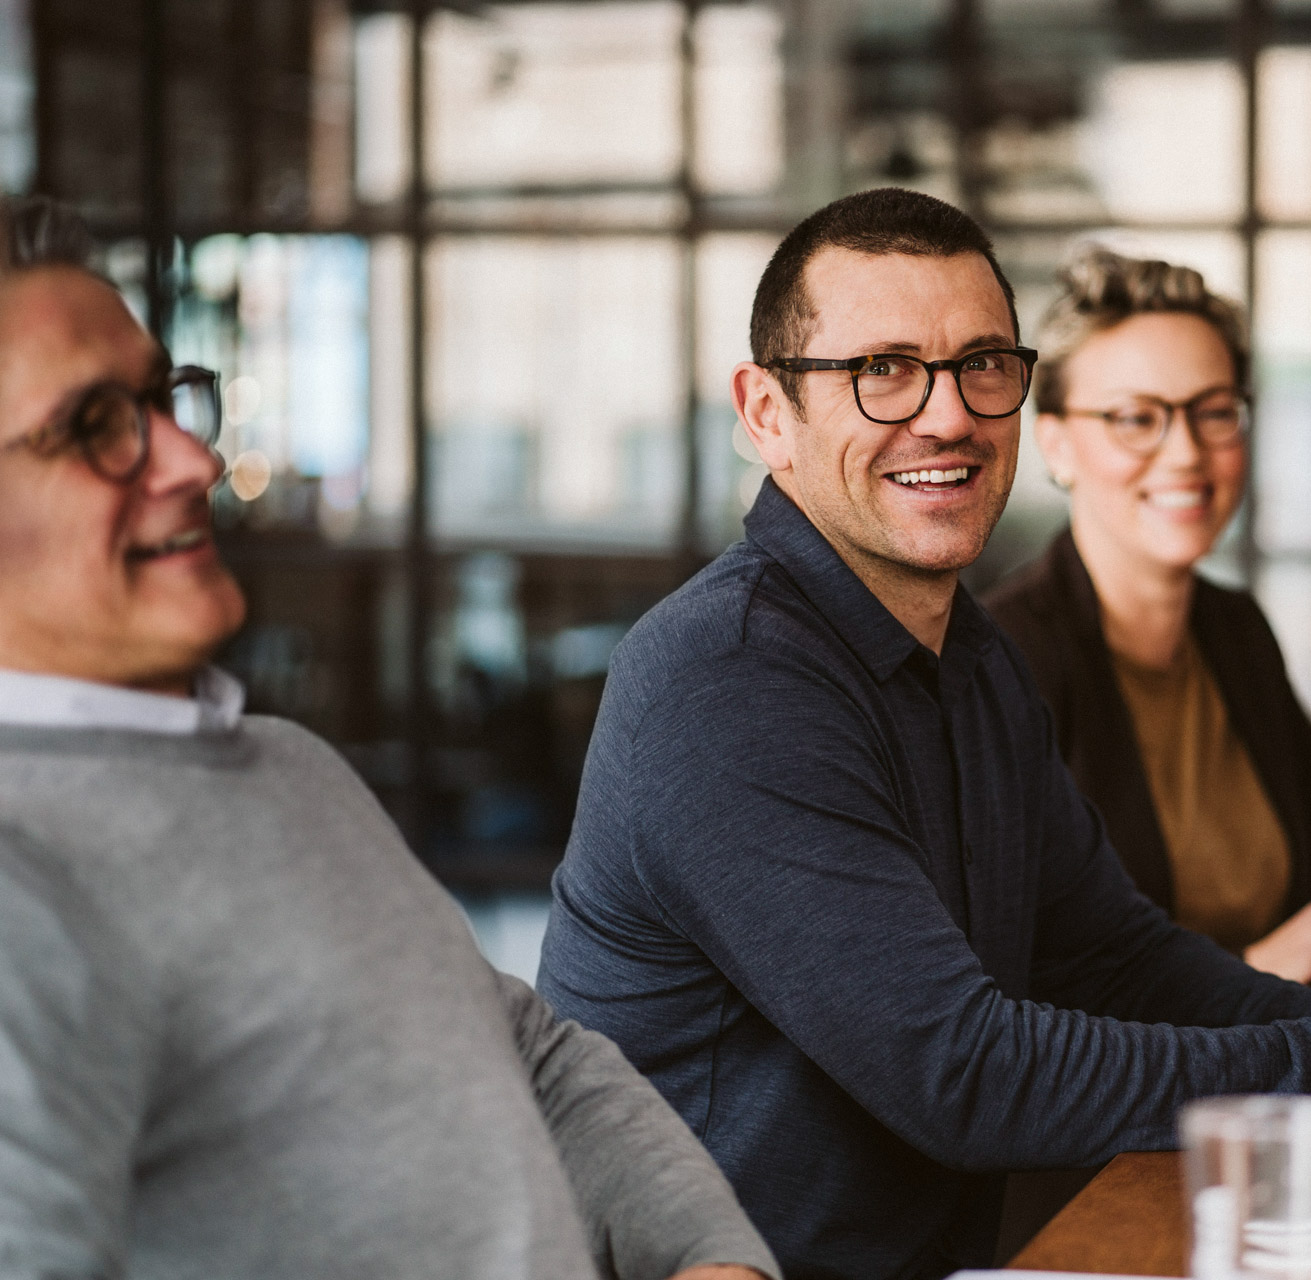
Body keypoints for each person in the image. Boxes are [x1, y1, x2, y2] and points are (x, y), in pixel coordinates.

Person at [538, 187, 1311, 1280]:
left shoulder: (969, 655)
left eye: (982, 362)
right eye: (882, 369)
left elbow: (1117, 959)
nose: (946, 415)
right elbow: (965, 1074)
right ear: (766, 413)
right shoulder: (726, 675)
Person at [0, 196, 779, 1280]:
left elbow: (528, 1051)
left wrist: (710, 1255)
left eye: (164, 399)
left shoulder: (286, 765)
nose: (191, 459)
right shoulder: (21, 877)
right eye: (93, 425)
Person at [986, 248, 1311, 982]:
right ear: (1055, 441)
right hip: (1146, 1089)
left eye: (1214, 412)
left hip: (1286, 1073)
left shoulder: (1232, 629)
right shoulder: (1005, 661)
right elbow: (1024, 985)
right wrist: (1253, 969)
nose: (1185, 453)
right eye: (1134, 418)